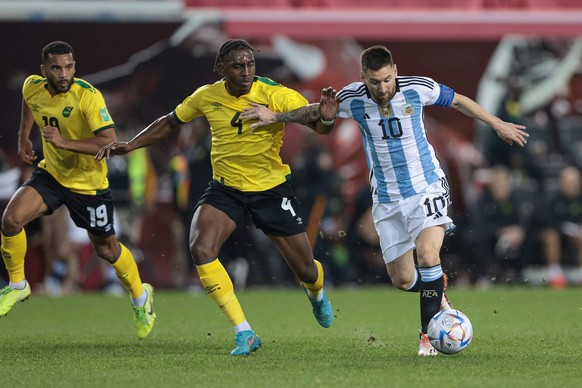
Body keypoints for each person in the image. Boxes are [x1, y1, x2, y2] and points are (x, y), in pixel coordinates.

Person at [241, 45, 528, 356]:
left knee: (428, 254)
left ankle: (429, 336)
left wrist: (498, 124)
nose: (382, 88)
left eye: (387, 80)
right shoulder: (352, 97)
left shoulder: (418, 88)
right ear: (363, 77)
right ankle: (437, 288)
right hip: (388, 199)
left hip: (425, 186)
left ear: (395, 71)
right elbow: (318, 115)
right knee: (403, 279)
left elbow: (459, 101)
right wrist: (276, 116)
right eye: (374, 82)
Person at [95, 39, 334, 356]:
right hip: (226, 188)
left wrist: (325, 116)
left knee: (305, 270)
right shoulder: (207, 96)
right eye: (238, 65)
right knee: (201, 247)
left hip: (270, 189)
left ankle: (316, 294)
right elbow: (170, 122)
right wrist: (132, 144)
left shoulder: (273, 93)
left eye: (250, 64)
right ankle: (244, 332)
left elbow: (314, 119)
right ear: (221, 68)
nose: (246, 71)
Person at [0, 41, 156, 339]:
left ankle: (140, 295)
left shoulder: (87, 96)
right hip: (52, 176)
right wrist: (24, 136)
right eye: (56, 68)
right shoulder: (32, 86)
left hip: (89, 185)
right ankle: (18, 284)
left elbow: (108, 142)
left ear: (75, 67)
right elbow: (29, 102)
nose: (63, 73)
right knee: (11, 220)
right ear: (44, 69)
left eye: (69, 67)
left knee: (107, 249)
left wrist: (63, 143)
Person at [538, 165, 582, 288]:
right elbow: (547, 221)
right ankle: (555, 275)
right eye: (568, 182)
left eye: (573, 182)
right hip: (558, 233)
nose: (571, 186)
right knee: (551, 236)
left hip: (577, 235)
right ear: (561, 183)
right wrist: (567, 230)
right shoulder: (552, 199)